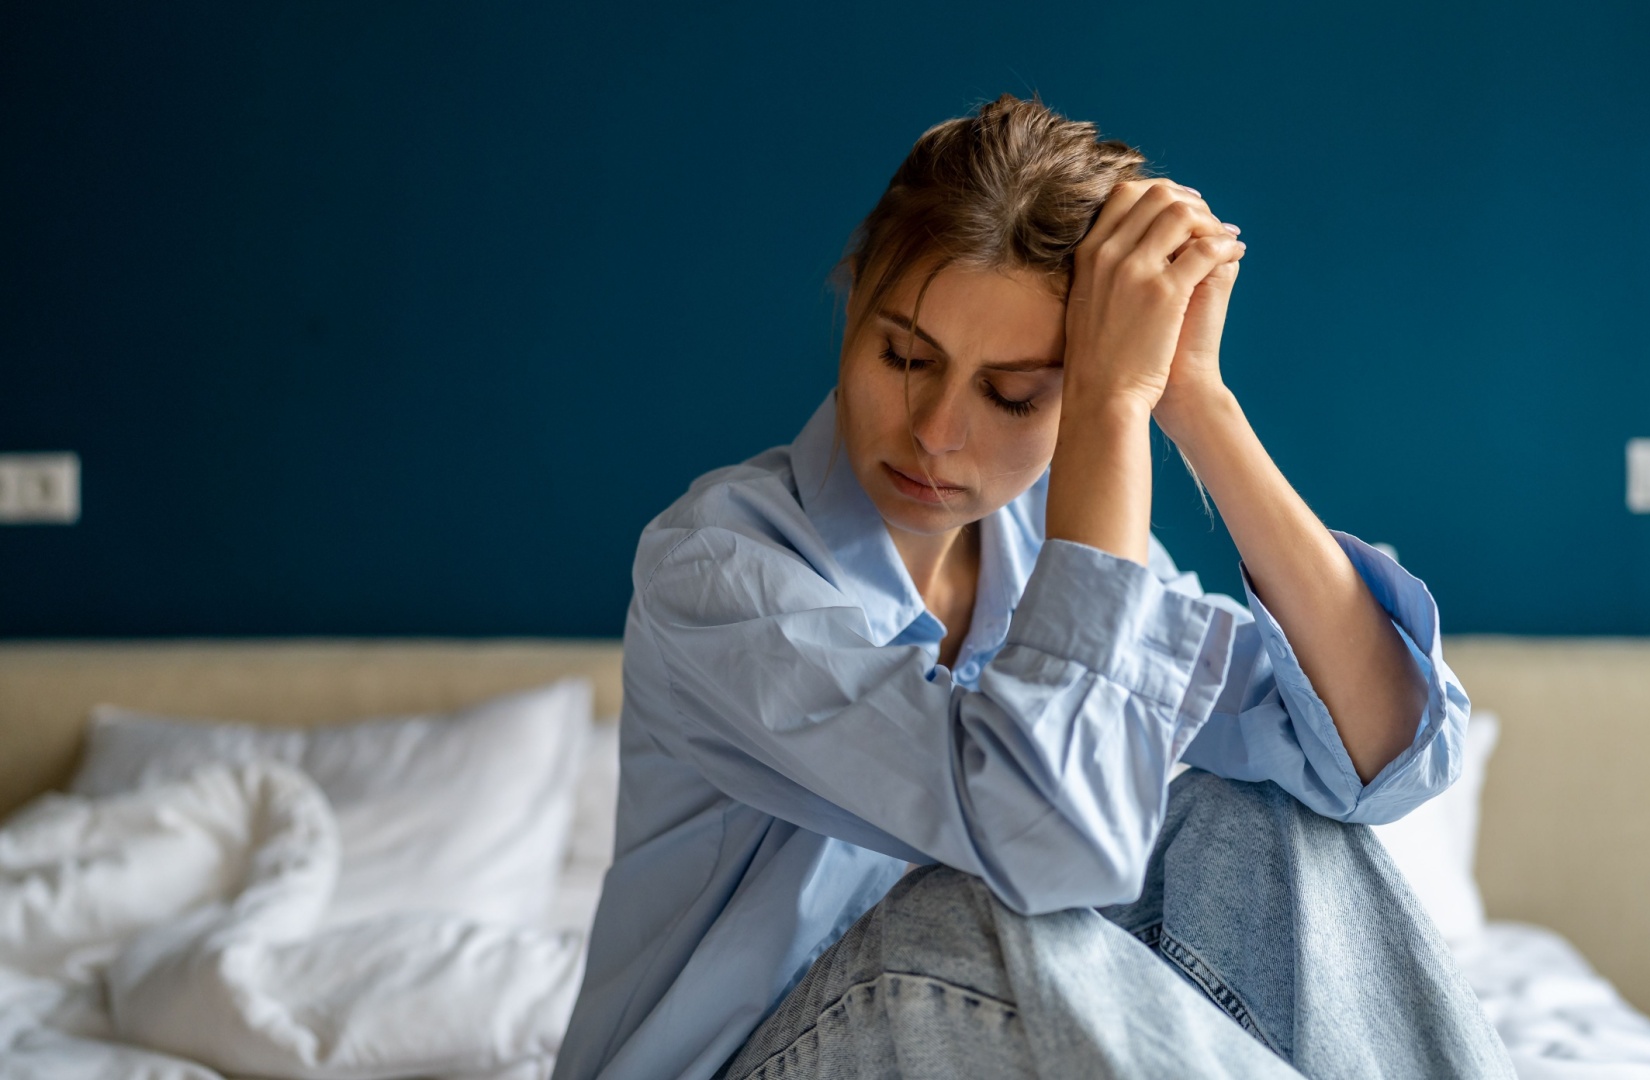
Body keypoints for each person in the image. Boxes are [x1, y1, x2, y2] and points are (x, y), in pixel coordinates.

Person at [553, 95, 1512, 1080]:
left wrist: (1193, 399)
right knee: (976, 906)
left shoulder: (1049, 565)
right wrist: (1106, 410)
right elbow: (1050, 838)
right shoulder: (719, 571)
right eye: (905, 356)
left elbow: (1377, 750)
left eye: (1013, 394)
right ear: (852, 301)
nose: (934, 429)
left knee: (1263, 819)